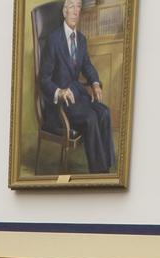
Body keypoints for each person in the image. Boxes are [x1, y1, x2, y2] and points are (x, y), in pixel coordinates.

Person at [37, 0, 114, 173]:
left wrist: (95, 83)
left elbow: (87, 65)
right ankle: (99, 172)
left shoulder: (81, 39)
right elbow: (43, 79)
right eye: (71, 6)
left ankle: (108, 167)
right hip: (60, 104)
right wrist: (60, 91)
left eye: (78, 6)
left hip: (79, 96)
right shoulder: (53, 40)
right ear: (64, 12)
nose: (75, 11)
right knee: (91, 118)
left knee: (104, 112)